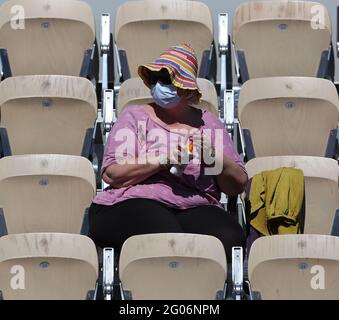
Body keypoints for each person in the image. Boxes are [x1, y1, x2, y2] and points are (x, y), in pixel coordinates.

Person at [89, 44, 248, 261]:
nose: (157, 85)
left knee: (229, 237)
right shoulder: (134, 117)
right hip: (133, 201)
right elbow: (112, 174)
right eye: (154, 79)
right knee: (164, 235)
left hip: (194, 205)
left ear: (186, 88)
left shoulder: (208, 124)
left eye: (165, 79)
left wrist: (213, 158)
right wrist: (163, 160)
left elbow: (236, 185)